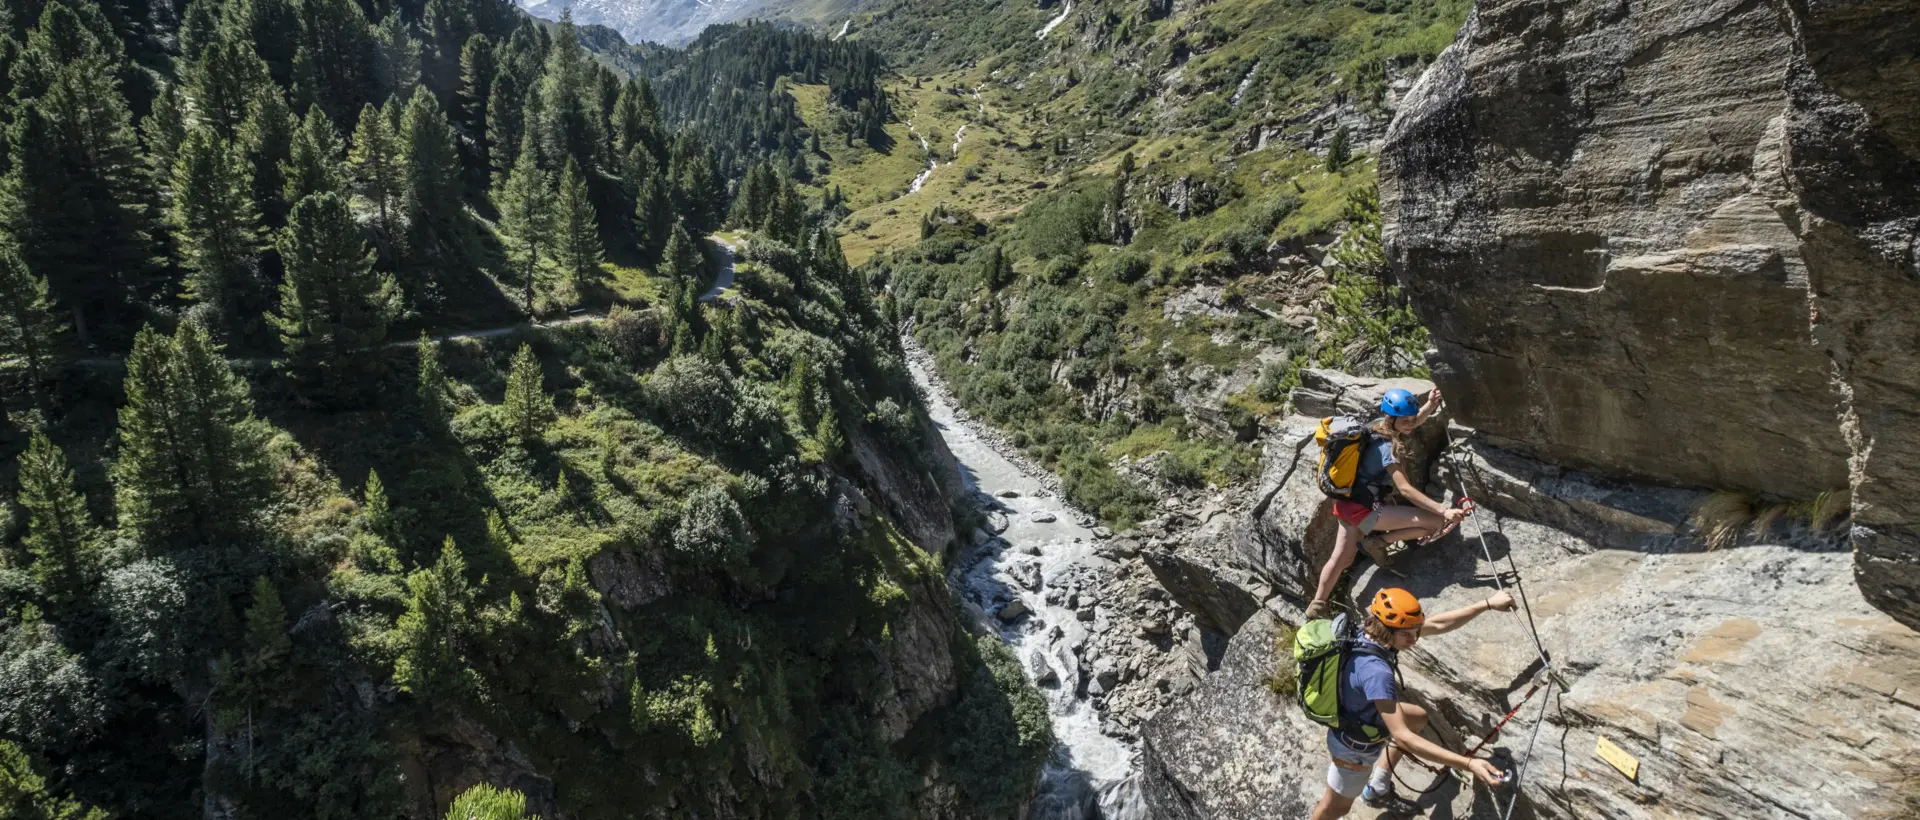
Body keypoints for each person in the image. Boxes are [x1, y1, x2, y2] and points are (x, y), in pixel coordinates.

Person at [1311, 587, 1516, 819]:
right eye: (1407, 635)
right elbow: (1403, 737)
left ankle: (1378, 787)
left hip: (1361, 712)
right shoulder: (1376, 673)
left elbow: (1438, 624)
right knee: (1335, 808)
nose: (1414, 640)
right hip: (1353, 747)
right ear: (1387, 630)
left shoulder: (1367, 631)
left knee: (1417, 717)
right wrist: (1469, 764)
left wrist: (1487, 603)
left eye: (1415, 631)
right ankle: (1373, 790)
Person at [1304, 387, 1461, 620]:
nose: (1410, 424)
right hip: (1368, 511)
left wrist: (1429, 406)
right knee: (1435, 523)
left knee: (1341, 559)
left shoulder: (1377, 426)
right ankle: (1378, 542)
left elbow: (1413, 422)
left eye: (1410, 418)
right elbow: (1406, 489)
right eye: (1405, 420)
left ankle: (1317, 605)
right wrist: (1444, 510)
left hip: (1347, 505)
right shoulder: (1387, 448)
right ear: (1393, 418)